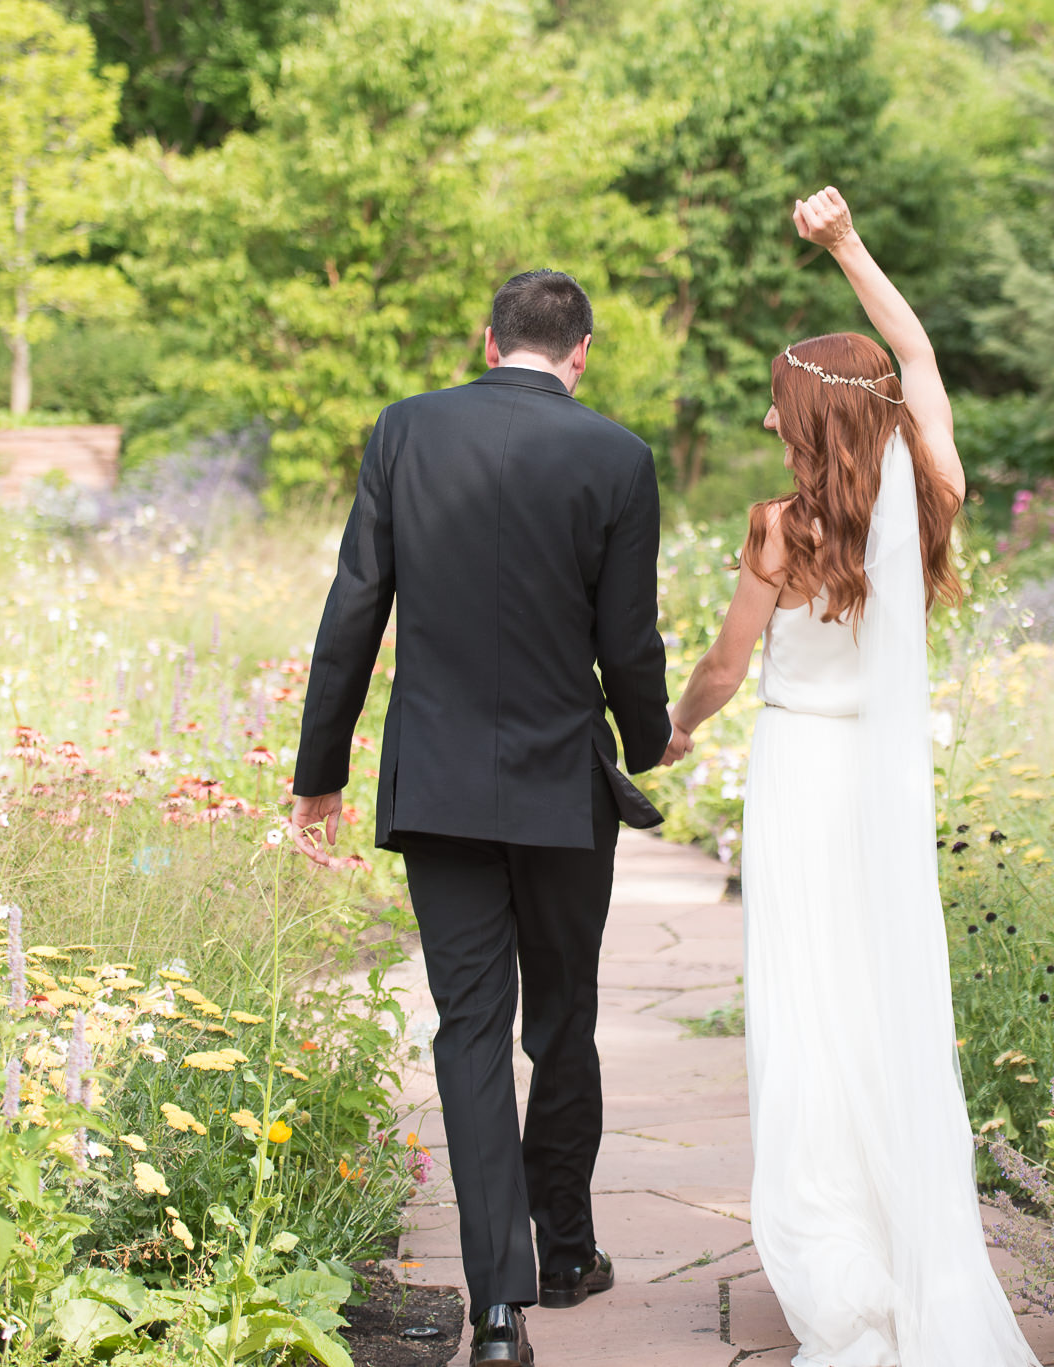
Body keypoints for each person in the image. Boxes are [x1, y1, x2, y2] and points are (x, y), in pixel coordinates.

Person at [668, 187, 1040, 1367]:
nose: (772, 427)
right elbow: (917, 350)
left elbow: (728, 663)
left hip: (798, 776)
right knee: (881, 1003)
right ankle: (900, 1246)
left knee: (807, 1008)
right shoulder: (931, 497)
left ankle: (837, 1263)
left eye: (781, 411)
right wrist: (846, 247)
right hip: (882, 789)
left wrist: (672, 725)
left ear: (804, 416)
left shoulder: (780, 525)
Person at [288, 269, 678, 1366]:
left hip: (441, 787)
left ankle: (498, 1306)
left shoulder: (405, 432)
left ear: (487, 336)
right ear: (581, 352)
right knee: (560, 1018)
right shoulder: (617, 457)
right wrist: (647, 741)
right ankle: (565, 1250)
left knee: (467, 1029)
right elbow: (628, 642)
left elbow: (354, 602)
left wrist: (320, 767)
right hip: (561, 787)